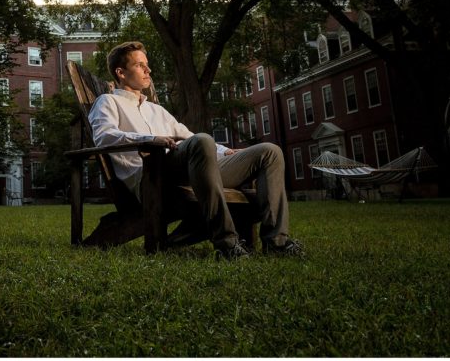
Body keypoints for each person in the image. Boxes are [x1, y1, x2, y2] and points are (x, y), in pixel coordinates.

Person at [88, 41, 304, 260]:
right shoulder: (107, 102)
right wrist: (151, 139)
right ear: (121, 73)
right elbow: (104, 136)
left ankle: (276, 242)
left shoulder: (156, 110)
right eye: (140, 65)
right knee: (202, 141)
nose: (148, 70)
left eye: (147, 65)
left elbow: (187, 135)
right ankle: (227, 243)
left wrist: (224, 151)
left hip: (192, 170)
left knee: (269, 151)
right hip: (153, 176)